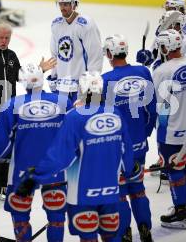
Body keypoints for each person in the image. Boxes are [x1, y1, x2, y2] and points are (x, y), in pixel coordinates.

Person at [16, 71, 134, 241]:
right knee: (111, 236)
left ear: (82, 90)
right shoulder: (115, 113)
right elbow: (126, 150)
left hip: (83, 195)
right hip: (110, 192)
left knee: (88, 237)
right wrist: (130, 168)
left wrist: (35, 176)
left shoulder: (75, 117)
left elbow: (60, 156)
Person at [0, 23, 55, 204]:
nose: (4, 41)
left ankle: (4, 184)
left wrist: (40, 70)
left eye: (7, 38)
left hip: (11, 111)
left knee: (8, 146)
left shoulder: (12, 56)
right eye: (1, 38)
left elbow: (22, 78)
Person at [0, 63, 72, 241]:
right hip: (56, 170)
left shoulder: (12, 105)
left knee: (20, 216)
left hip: (22, 172)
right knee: (57, 218)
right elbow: (73, 137)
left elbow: (1, 147)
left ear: (23, 82)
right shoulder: (62, 102)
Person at [101, 34, 157, 242]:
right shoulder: (143, 72)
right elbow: (152, 109)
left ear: (109, 54)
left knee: (120, 192)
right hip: (139, 145)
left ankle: (124, 232)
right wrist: (144, 133)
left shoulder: (105, 80)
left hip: (117, 149)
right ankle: (145, 228)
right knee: (138, 188)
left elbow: (103, 118)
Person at [152, 29, 186, 229]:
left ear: (166, 47)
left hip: (172, 133)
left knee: (175, 172)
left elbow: (159, 103)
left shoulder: (162, 71)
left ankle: (181, 212)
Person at [47, 0, 103, 104]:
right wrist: (54, 76)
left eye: (66, 4)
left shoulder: (85, 24)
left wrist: (91, 84)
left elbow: (95, 56)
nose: (62, 7)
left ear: (75, 4)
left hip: (80, 86)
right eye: (60, 4)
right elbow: (55, 54)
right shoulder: (56, 24)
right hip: (61, 86)